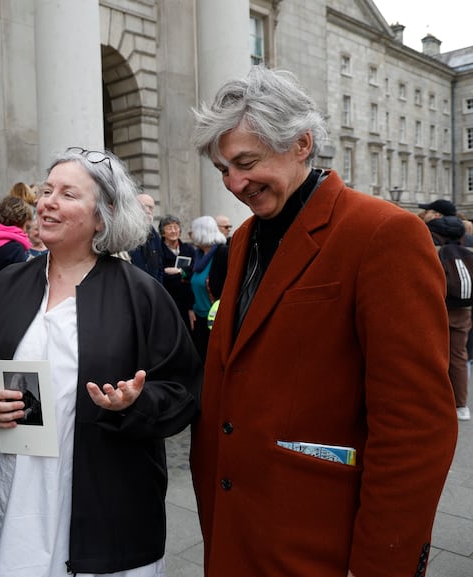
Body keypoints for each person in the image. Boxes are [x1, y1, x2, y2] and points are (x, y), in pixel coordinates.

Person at [189, 66, 457, 577]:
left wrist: (383, 564)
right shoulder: (244, 238)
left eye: (246, 162)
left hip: (322, 542)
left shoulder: (385, 233)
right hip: (237, 530)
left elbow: (415, 425)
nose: (234, 183)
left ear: (302, 144)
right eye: (223, 168)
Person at [0, 146, 202, 577]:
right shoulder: (8, 284)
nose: (47, 201)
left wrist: (134, 403)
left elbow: (183, 387)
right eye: (46, 191)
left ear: (102, 216)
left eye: (67, 194)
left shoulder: (141, 295)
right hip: (13, 491)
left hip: (104, 500)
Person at [427, 215, 473, 420]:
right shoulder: (468, 253)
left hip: (439, 308)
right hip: (464, 309)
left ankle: (435, 402)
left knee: (432, 355)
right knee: (459, 356)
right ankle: (461, 405)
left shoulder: (436, 252)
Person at [188, 215, 228, 362]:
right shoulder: (198, 255)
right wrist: (190, 308)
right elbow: (191, 282)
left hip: (217, 319)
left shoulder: (222, 253)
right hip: (199, 318)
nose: (190, 234)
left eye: (192, 231)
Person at [158, 214, 197, 329]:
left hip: (188, 301)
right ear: (163, 232)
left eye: (176, 227)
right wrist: (182, 274)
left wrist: (180, 272)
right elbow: (161, 274)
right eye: (169, 228)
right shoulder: (158, 251)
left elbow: (194, 271)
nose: (173, 231)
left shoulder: (188, 249)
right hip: (168, 299)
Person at [128, 193, 164, 282]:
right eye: (142, 207)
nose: (147, 211)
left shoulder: (154, 235)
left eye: (150, 207)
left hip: (152, 288)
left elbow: (160, 265)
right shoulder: (125, 232)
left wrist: (157, 287)